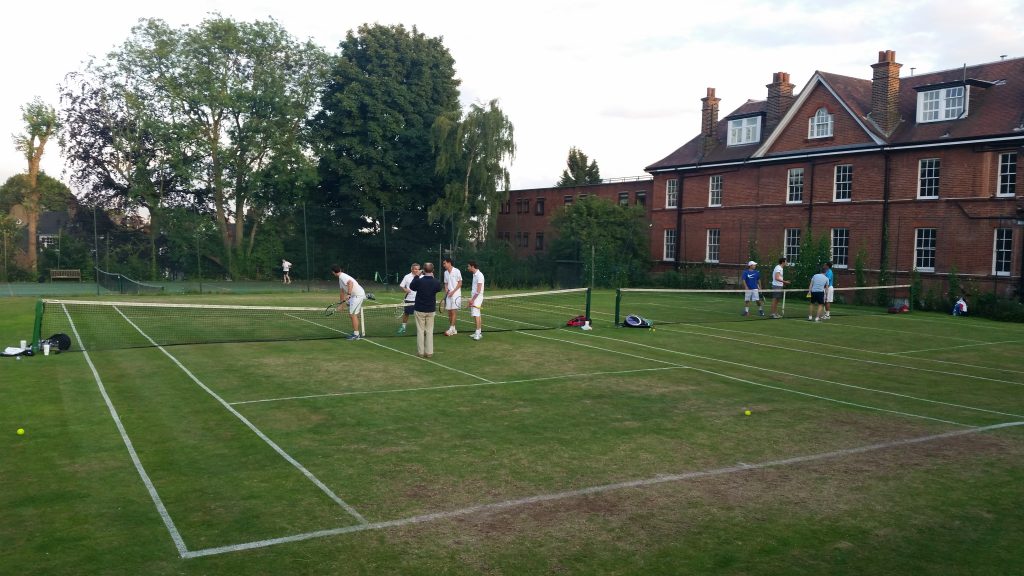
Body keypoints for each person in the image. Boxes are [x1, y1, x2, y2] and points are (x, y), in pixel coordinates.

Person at [410, 262, 443, 358]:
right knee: (429, 331)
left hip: (420, 309)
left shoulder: (419, 281)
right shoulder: (435, 281)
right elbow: (438, 288)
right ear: (432, 270)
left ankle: (420, 352)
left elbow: (412, 286)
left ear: (423, 270)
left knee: (420, 331)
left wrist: (417, 276)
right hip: (430, 309)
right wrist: (432, 277)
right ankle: (429, 352)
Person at [330, 264, 366, 340]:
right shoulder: (340, 278)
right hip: (353, 296)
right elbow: (342, 292)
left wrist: (349, 294)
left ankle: (356, 335)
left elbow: (350, 283)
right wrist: (341, 305)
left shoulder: (343, 276)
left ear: (333, 272)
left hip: (357, 295)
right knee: (349, 308)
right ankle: (356, 310)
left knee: (352, 315)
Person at [397, 263, 421, 335]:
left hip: (419, 299)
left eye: (418, 269)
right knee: (406, 313)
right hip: (409, 299)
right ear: (412, 269)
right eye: (415, 269)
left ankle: (420, 329)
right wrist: (405, 289)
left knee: (419, 314)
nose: (417, 270)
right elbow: (401, 285)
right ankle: (403, 327)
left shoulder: (422, 276)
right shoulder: (407, 276)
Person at [442, 257, 463, 336]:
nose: (443, 265)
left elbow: (460, 283)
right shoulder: (445, 273)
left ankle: (451, 329)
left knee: (454, 312)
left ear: (449, 263)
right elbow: (446, 283)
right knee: (449, 313)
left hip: (456, 294)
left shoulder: (457, 271)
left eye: (444, 263)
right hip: (449, 295)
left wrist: (453, 292)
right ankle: (453, 329)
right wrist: (446, 289)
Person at [466, 260, 485, 340]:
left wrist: (472, 300)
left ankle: (477, 334)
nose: (468, 268)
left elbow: (478, 290)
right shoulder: (474, 275)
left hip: (477, 298)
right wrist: (472, 298)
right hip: (475, 297)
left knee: (476, 315)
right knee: (477, 314)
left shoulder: (480, 275)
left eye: (468, 266)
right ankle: (478, 332)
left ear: (472, 266)